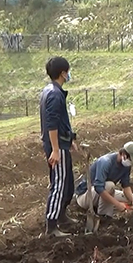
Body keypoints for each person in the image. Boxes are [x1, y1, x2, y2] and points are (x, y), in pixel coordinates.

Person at [40, 56, 78, 237]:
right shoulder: (54, 94)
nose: (69, 74)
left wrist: (70, 140)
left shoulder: (50, 90)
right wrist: (56, 149)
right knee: (59, 183)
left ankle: (62, 215)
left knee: (68, 183)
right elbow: (52, 124)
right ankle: (52, 225)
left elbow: (60, 122)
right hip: (57, 147)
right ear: (63, 73)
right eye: (68, 71)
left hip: (62, 143)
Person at [75, 142, 133, 219]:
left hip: (101, 193)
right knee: (110, 185)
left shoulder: (126, 166)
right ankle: (103, 215)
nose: (131, 163)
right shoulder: (105, 162)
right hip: (86, 196)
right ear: (124, 154)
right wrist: (117, 204)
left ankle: (104, 205)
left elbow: (125, 185)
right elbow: (99, 188)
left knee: (132, 197)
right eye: (130, 159)